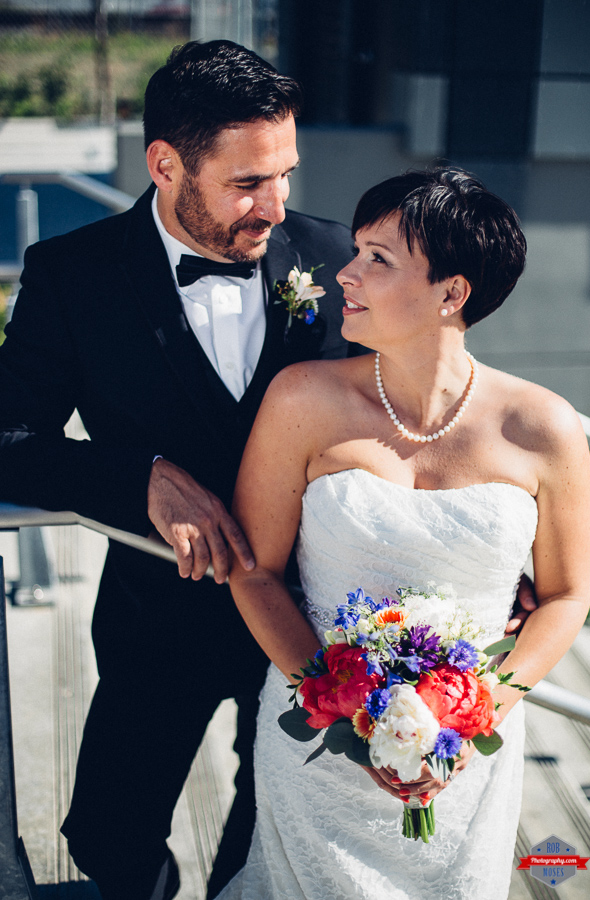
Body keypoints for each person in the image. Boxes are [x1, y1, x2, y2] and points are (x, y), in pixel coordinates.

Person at [0, 40, 359, 900]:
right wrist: (138, 475)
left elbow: (406, 415)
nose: (275, 206)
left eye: (285, 174)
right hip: (156, 614)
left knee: (277, 813)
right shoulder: (71, 275)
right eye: (247, 183)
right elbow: (9, 438)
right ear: (165, 163)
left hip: (314, 613)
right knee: (107, 830)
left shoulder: (337, 259)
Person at [219, 167, 590, 900]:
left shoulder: (544, 426)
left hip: (466, 755)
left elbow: (566, 595)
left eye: (378, 259)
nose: (347, 273)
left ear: (452, 293)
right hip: (313, 745)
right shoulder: (303, 398)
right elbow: (255, 571)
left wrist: (474, 711)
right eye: (356, 250)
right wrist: (340, 710)